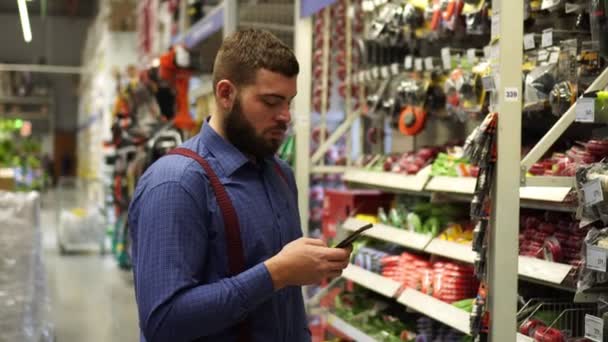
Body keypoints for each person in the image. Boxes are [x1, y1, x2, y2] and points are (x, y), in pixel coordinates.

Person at [128, 29, 352, 342]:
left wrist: (309, 267)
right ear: (225, 94)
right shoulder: (176, 183)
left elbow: (283, 304)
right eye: (271, 102)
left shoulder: (280, 176)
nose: (285, 116)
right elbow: (164, 322)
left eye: (289, 102)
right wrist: (277, 273)